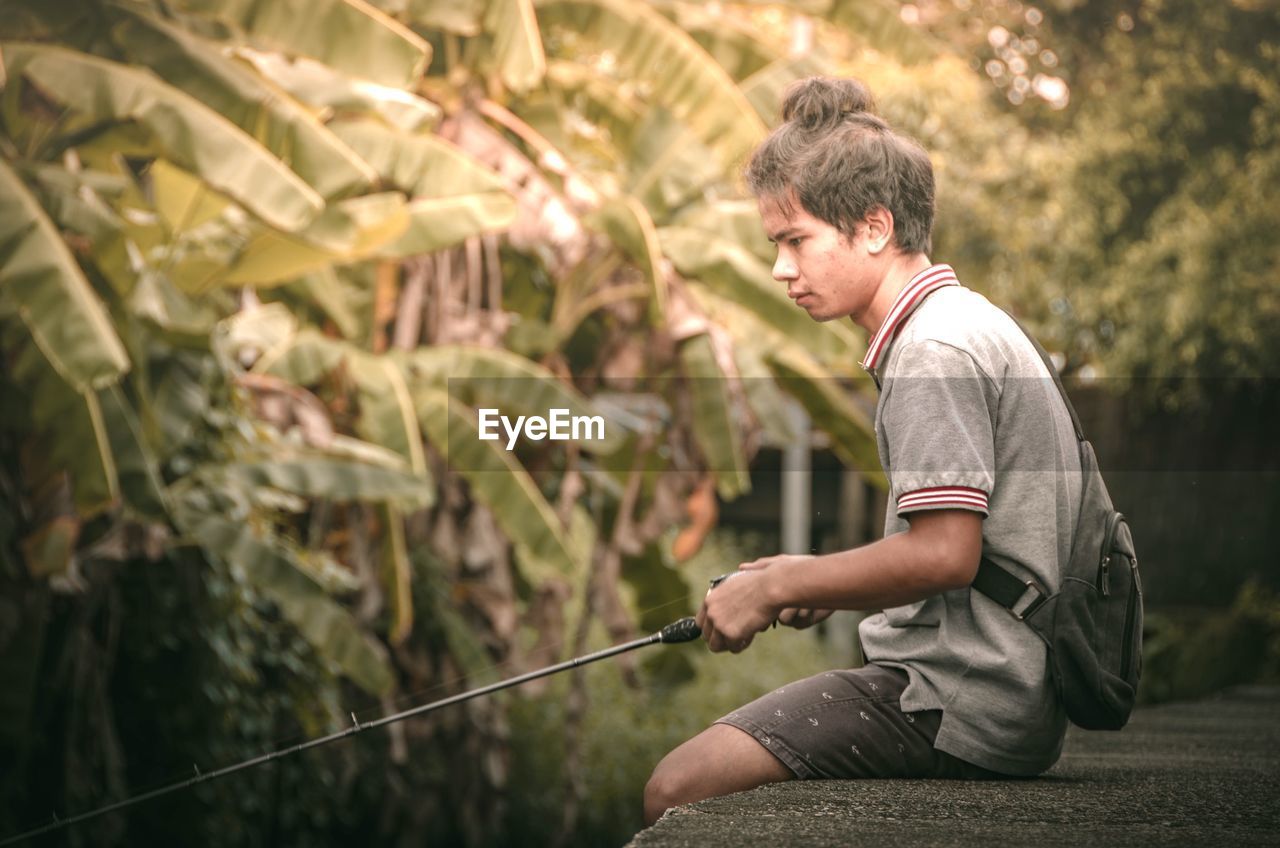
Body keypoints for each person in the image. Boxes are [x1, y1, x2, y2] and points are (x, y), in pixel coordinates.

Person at [643, 77, 1082, 825]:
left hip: (956, 696)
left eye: (795, 241)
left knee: (674, 788)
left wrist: (779, 584)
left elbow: (948, 554)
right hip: (1005, 691)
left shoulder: (931, 351)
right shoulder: (960, 320)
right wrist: (823, 583)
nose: (782, 269)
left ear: (874, 227)